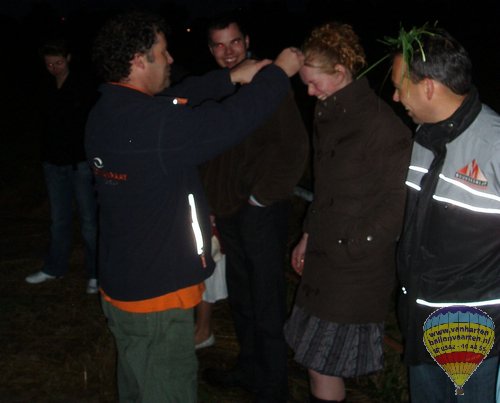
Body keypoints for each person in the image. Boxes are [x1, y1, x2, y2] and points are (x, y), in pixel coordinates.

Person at [85, 10, 304, 402]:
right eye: (163, 52)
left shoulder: (109, 111)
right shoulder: (155, 127)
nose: (171, 59)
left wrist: (230, 78)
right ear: (138, 61)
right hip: (157, 298)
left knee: (136, 384)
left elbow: (175, 98)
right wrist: (277, 73)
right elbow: (231, 119)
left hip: (125, 287)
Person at [284, 22, 412, 403]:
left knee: (322, 364)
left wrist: (354, 243)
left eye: (313, 83)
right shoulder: (328, 111)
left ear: (340, 72)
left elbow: (399, 202)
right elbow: (325, 188)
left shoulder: (381, 125)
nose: (308, 92)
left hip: (355, 269)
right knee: (316, 362)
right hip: (324, 257)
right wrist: (308, 235)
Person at [200, 11, 310, 402]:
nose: (228, 52)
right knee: (242, 295)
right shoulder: (217, 87)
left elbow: (295, 147)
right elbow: (210, 151)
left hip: (261, 209)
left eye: (234, 42)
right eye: (219, 45)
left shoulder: (269, 82)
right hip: (228, 209)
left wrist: (261, 198)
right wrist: (211, 203)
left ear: (247, 42)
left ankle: (274, 386)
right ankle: (249, 369)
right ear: (210, 49)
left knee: (266, 299)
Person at [390, 24, 500, 402]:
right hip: (419, 318)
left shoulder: (495, 145)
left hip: (474, 334)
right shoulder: (424, 137)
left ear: (428, 87)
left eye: (399, 86)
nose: (395, 96)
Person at [25, 38, 98, 294]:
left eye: (58, 62)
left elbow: (90, 123)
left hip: (80, 164)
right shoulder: (45, 86)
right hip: (53, 164)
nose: (54, 68)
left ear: (68, 59)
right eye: (49, 64)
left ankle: (96, 273)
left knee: (89, 221)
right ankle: (54, 267)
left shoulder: (83, 85)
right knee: (58, 219)